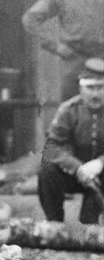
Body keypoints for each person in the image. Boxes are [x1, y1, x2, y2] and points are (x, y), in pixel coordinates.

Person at [22, 0, 104, 101]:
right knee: (71, 111)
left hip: (102, 58)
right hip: (74, 62)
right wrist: (55, 46)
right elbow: (30, 19)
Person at [38, 57, 104, 224]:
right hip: (76, 174)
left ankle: (91, 224)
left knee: (89, 223)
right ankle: (54, 224)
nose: (95, 93)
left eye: (101, 87)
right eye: (90, 88)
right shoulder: (69, 110)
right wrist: (78, 167)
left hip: (102, 175)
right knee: (47, 169)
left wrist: (99, 164)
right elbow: (52, 147)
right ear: (81, 89)